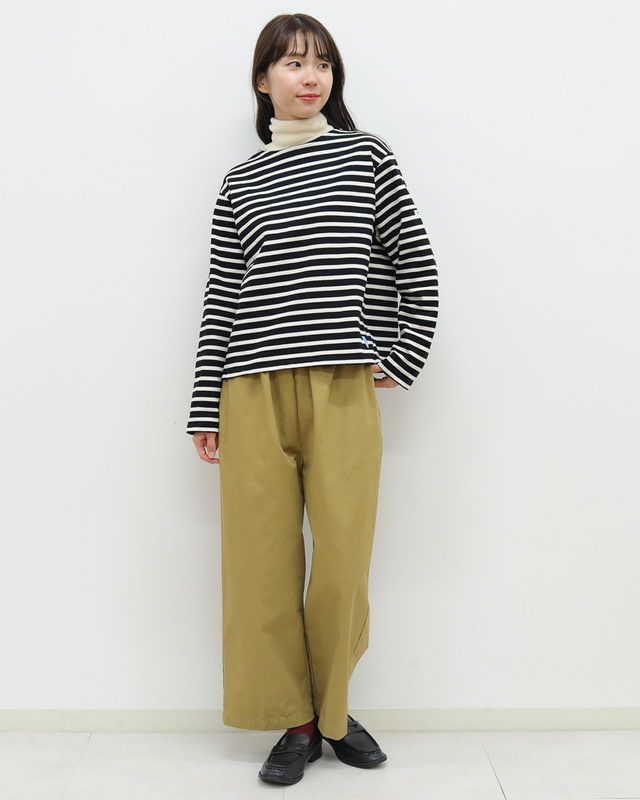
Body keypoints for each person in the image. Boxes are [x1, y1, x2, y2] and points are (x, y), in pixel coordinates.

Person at [187, 13, 439, 786]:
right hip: (250, 388)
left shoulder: (366, 157)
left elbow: (417, 265)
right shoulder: (240, 182)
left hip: (341, 389)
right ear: (262, 81)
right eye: (294, 62)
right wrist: (204, 405)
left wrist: (402, 355)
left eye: (322, 62)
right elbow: (222, 296)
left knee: (343, 561)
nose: (311, 76)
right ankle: (295, 722)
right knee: (258, 568)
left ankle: (333, 710)